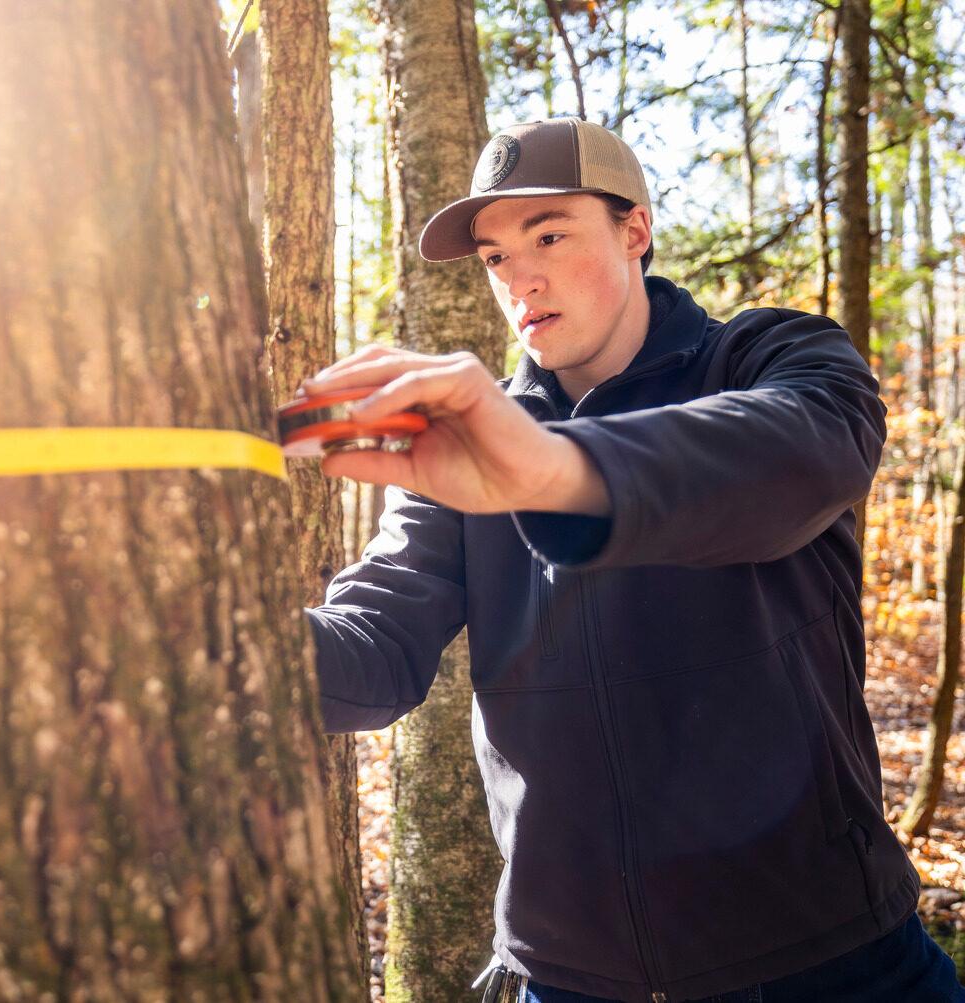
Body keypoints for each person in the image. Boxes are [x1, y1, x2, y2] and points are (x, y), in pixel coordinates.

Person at [304, 117, 964, 1002]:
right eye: (496, 257)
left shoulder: (772, 357)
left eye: (549, 234)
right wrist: (201, 642)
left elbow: (798, 454)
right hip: (568, 977)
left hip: (829, 960)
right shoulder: (465, 448)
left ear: (634, 231)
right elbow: (373, 649)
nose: (519, 277)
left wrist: (550, 471)